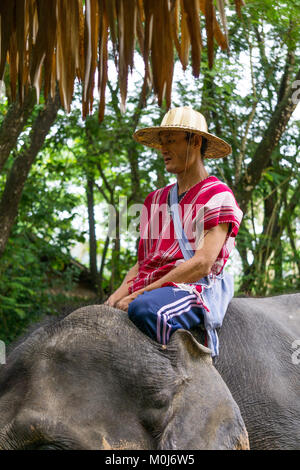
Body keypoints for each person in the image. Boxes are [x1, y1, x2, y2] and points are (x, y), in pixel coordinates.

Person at [105, 106, 243, 357]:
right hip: (150, 288)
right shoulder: (154, 200)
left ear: (196, 141)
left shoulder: (218, 196)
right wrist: (114, 297)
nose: (163, 149)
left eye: (171, 140)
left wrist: (138, 295)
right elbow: (142, 265)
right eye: (162, 142)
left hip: (190, 288)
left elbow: (202, 264)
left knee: (146, 310)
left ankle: (188, 379)